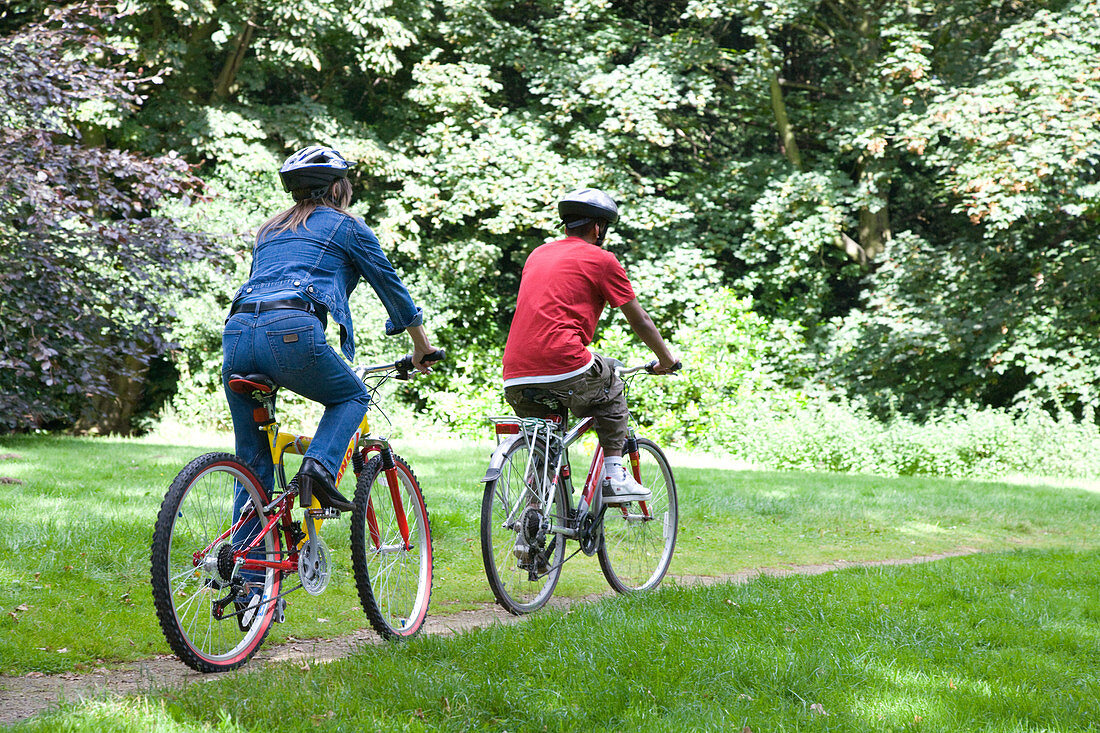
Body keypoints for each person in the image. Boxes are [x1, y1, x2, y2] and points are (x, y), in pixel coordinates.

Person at [223, 145, 439, 517]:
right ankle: (317, 469)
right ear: (337, 188)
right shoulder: (347, 225)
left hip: (237, 334)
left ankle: (246, 568)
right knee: (352, 397)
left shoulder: (269, 230)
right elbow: (391, 288)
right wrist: (421, 346)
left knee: (252, 459)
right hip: (291, 330)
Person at [502, 187, 679, 506]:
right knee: (610, 379)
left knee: (545, 451)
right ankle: (613, 473)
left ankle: (530, 541)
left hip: (515, 373)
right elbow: (639, 319)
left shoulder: (537, 255)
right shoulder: (602, 260)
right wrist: (666, 359)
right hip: (564, 363)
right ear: (598, 228)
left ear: (566, 225)